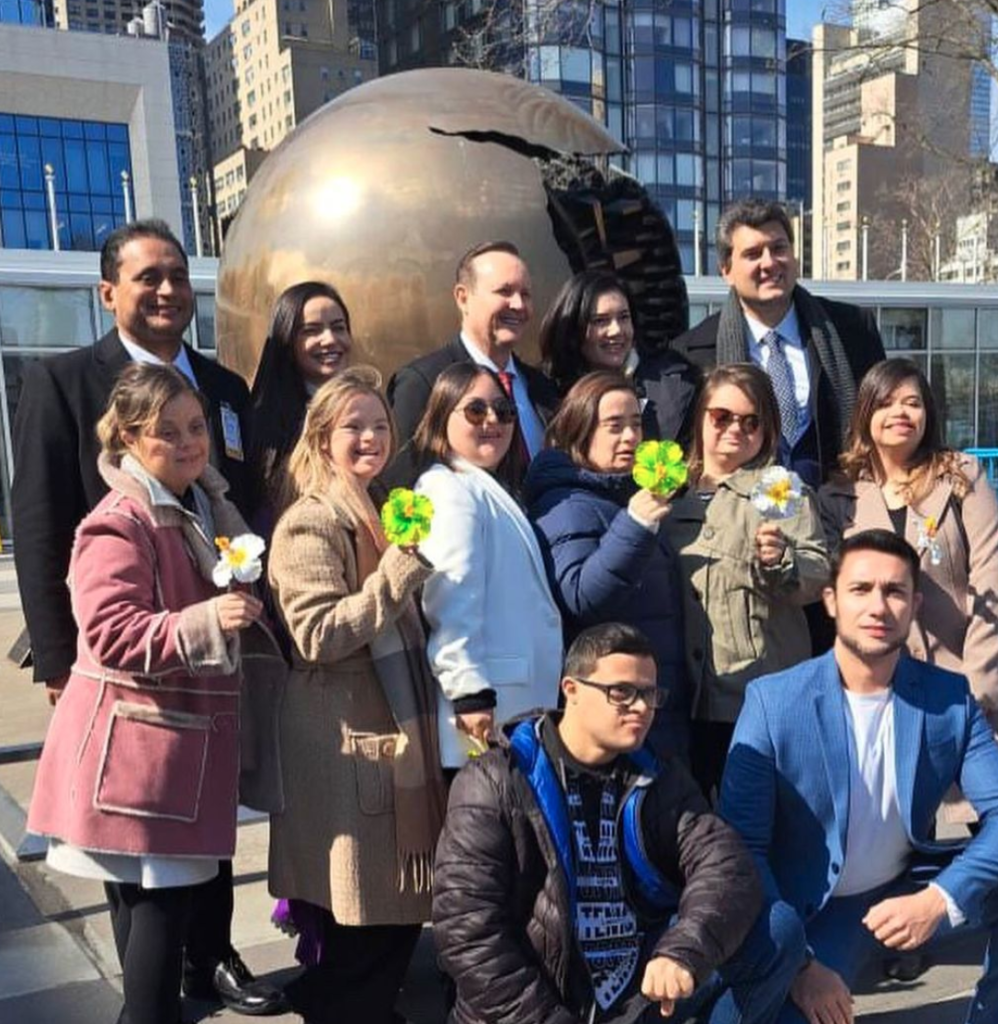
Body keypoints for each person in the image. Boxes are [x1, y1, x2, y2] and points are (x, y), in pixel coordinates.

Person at [10, 219, 284, 1015]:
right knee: (142, 865)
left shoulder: (222, 388)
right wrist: (61, 661)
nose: (167, 291)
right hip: (133, 673)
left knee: (205, 830)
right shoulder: (66, 385)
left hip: (208, 676)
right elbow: (38, 523)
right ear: (108, 293)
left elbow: (234, 503)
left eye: (176, 275)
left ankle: (216, 956)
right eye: (146, 278)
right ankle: (159, 991)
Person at [433, 622, 806, 1024]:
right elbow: (467, 933)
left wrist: (682, 951)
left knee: (777, 931)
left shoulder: (655, 773)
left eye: (649, 694)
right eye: (622, 693)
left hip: (634, 992)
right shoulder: (496, 781)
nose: (642, 707)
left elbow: (727, 865)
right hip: (537, 1006)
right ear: (570, 690)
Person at [720, 529, 998, 1024]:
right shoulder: (774, 701)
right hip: (812, 908)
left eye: (894, 592)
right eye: (860, 589)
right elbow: (742, 848)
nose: (878, 606)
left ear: (914, 605)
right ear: (830, 601)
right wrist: (803, 965)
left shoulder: (950, 699)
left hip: (907, 885)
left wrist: (941, 897)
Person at [266, 366, 447, 1024]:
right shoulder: (310, 524)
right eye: (353, 427)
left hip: (385, 738)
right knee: (365, 919)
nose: (370, 437)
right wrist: (397, 574)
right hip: (343, 743)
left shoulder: (375, 510)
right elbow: (316, 635)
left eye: (379, 425)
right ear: (321, 439)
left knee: (388, 917)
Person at [660, 364, 829, 800]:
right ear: (700, 417)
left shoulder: (779, 489)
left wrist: (782, 560)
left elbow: (816, 571)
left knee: (756, 823)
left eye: (750, 421)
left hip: (753, 693)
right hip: (680, 696)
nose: (735, 429)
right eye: (722, 417)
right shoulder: (667, 490)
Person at [819, 357, 998, 731]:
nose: (900, 412)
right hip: (875, 699)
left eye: (912, 403)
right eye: (886, 403)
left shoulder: (962, 477)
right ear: (865, 414)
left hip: (963, 689)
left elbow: (991, 576)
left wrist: (976, 689)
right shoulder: (839, 496)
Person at [525, 370, 689, 758]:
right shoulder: (564, 503)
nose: (631, 437)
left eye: (636, 424)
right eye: (614, 426)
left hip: (655, 703)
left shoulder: (623, 494)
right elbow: (581, 596)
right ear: (580, 431)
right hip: (614, 709)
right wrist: (635, 525)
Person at [670, 200, 885, 488]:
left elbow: (883, 413)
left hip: (842, 510)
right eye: (753, 254)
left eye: (779, 248)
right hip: (743, 519)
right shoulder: (692, 354)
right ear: (726, 270)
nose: (769, 262)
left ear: (794, 258)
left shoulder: (852, 330)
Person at [411, 362, 563, 768]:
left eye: (504, 410)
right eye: (476, 411)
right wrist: (469, 693)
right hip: (486, 713)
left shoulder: (484, 486)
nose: (493, 420)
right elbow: (451, 598)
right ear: (443, 416)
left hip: (513, 707)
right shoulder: (449, 489)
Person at [385, 240, 559, 486]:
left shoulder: (542, 387)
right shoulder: (424, 382)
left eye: (526, 294)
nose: (519, 305)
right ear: (463, 298)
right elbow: (397, 489)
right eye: (504, 291)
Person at [538, 269, 701, 444]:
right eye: (600, 320)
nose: (616, 331)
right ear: (573, 330)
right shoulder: (543, 394)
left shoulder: (678, 385)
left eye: (624, 318)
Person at [246, 280, 354, 525]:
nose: (329, 339)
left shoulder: (365, 407)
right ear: (288, 340)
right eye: (311, 331)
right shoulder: (263, 423)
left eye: (339, 328)